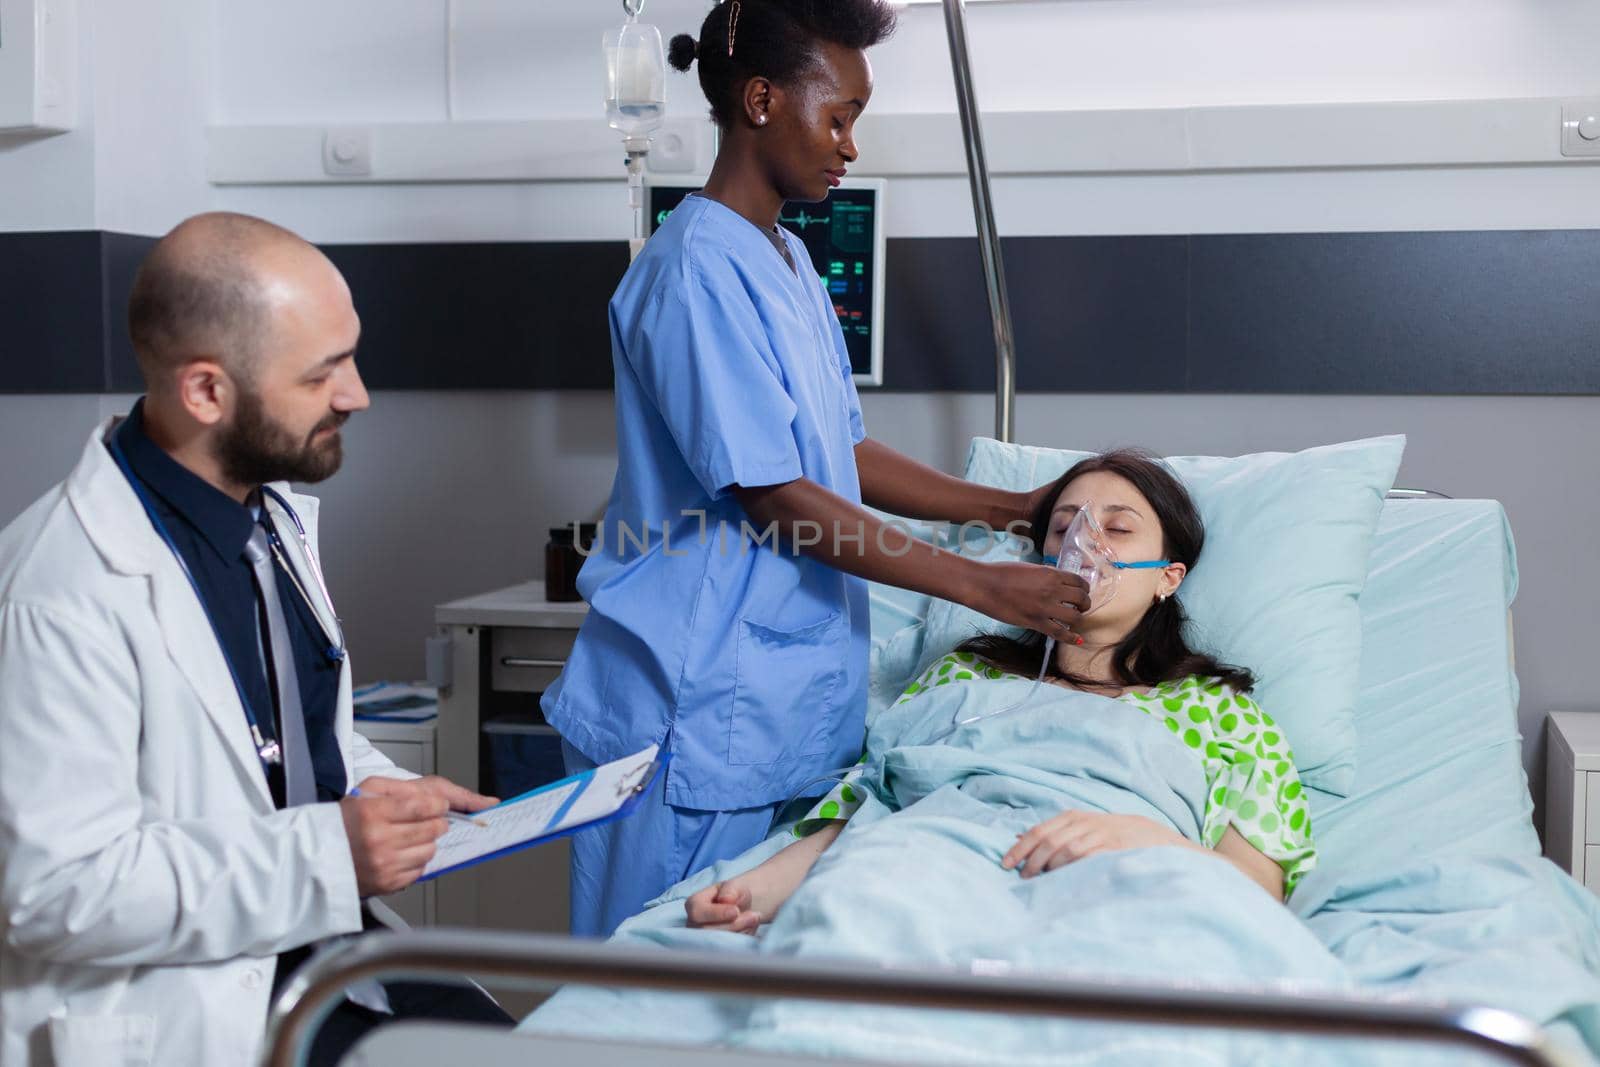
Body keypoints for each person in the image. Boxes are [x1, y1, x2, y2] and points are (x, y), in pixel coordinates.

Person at [544, 0, 1083, 939]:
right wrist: (985, 586)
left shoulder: (788, 259)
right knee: (650, 991)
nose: (850, 147)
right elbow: (777, 496)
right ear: (759, 101)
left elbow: (844, 453)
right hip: (694, 718)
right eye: (839, 118)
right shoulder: (693, 273)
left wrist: (1015, 507)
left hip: (780, 714)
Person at [0, 213, 510, 1067]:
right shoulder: (57, 592)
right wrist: (330, 853)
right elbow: (56, 891)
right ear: (206, 392)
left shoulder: (259, 517)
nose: (358, 394)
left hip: (313, 951)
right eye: (323, 374)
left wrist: (395, 795)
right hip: (184, 1008)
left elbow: (282, 743)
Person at [685, 449, 1318, 932]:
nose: (1084, 545)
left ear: (1168, 578)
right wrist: (757, 890)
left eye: (1118, 530)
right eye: (1064, 526)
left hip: (1119, 893)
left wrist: (1144, 837)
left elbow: (1259, 887)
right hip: (921, 871)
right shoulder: (970, 674)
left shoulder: (1221, 712)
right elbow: (870, 807)